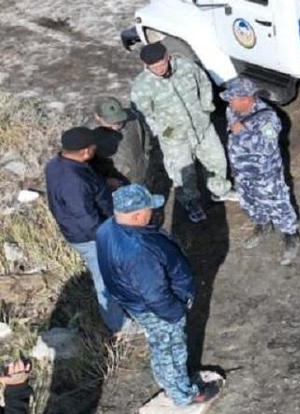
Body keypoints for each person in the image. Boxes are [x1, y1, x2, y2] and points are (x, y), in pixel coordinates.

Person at [96, 184, 222, 407]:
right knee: (172, 349)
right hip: (157, 309)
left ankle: (170, 382)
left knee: (159, 344)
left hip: (134, 303)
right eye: (148, 209)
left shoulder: (107, 229)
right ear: (136, 215)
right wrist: (175, 312)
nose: (152, 213)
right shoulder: (138, 251)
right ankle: (184, 395)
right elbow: (155, 294)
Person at [130, 42, 237, 224]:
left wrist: (206, 108)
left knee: (217, 160)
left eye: (162, 63)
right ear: (146, 66)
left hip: (202, 127)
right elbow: (144, 114)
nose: (160, 69)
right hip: (175, 138)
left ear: (168, 57)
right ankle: (191, 203)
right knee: (183, 172)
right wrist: (163, 131)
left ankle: (220, 191)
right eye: (154, 67)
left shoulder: (187, 67)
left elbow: (203, 83)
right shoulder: (142, 86)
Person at [43, 127, 127, 333]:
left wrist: (102, 184)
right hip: (91, 237)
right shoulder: (74, 182)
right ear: (85, 151)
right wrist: (108, 237)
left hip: (81, 232)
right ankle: (119, 325)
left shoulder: (57, 165)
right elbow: (86, 219)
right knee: (105, 278)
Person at [221, 77, 300, 265]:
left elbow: (268, 146)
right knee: (250, 202)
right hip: (241, 171)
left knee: (277, 203)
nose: (230, 103)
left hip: (265, 174)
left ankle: (290, 235)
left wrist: (244, 131)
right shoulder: (232, 110)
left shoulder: (267, 118)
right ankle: (263, 225)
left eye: (233, 99)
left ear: (247, 98)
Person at [86, 96, 152, 188]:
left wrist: (146, 159)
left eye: (120, 119)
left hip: (140, 177)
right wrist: (105, 181)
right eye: (111, 122)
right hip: (114, 186)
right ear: (97, 117)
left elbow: (146, 139)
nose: (117, 124)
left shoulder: (133, 119)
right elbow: (84, 168)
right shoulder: (89, 134)